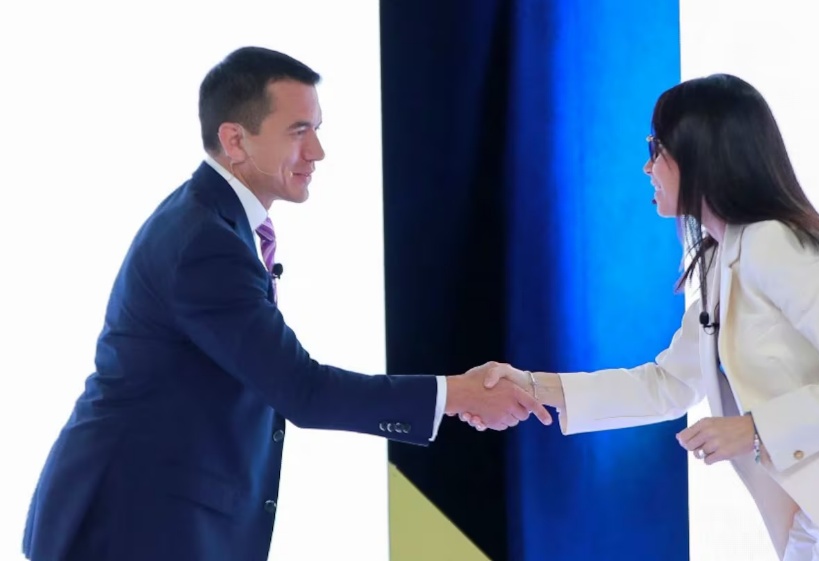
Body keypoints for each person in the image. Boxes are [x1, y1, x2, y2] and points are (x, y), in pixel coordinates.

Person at [21, 46, 551, 561]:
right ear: (235, 140)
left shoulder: (214, 222)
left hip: (154, 514)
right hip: (129, 522)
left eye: (317, 129)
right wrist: (455, 394)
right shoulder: (205, 243)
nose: (317, 152)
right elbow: (303, 391)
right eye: (299, 131)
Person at [462, 74, 819, 561]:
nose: (647, 167)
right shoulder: (721, 257)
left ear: (701, 156)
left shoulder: (775, 244)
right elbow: (667, 385)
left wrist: (754, 430)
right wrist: (532, 386)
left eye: (656, 150)